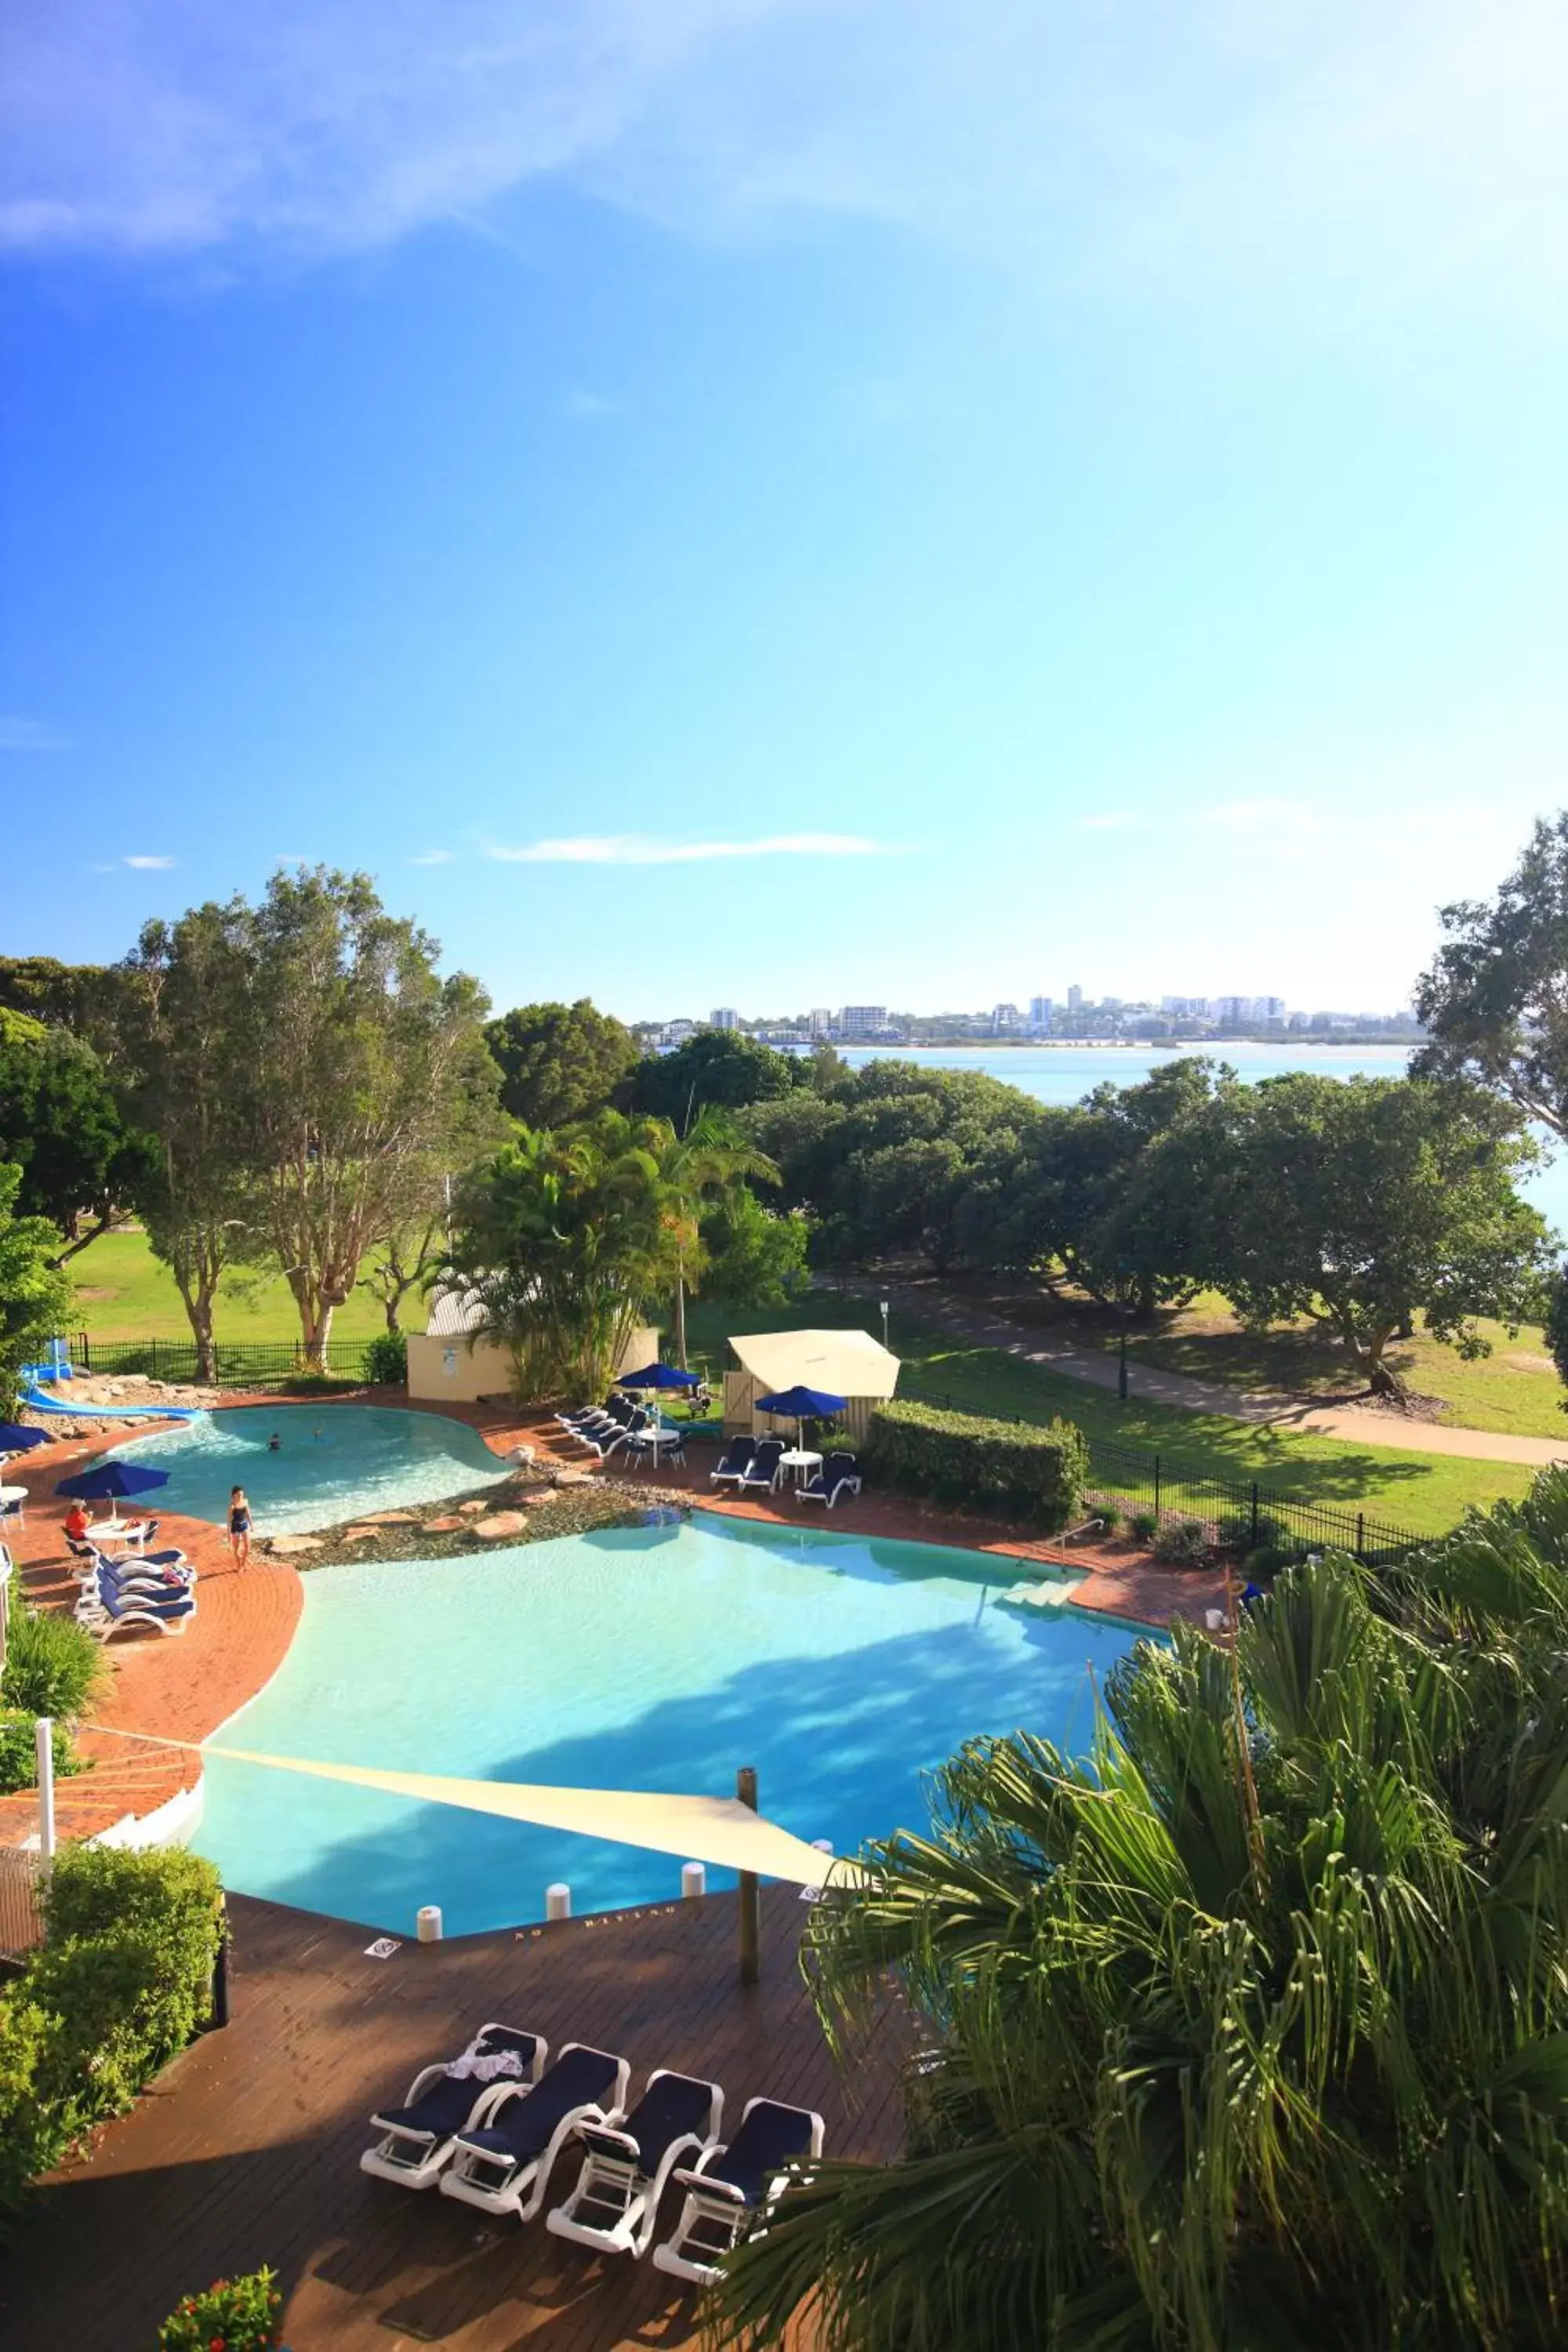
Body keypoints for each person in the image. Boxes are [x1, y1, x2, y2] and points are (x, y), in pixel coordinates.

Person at [228, 1484, 252, 1568]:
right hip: (235, 1527)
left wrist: (251, 1524)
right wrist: (229, 1535)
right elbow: (229, 1522)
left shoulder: (245, 1501)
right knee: (236, 1549)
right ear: (234, 1495)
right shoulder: (232, 1506)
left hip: (244, 1524)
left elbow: (248, 1513)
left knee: (248, 1548)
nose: (240, 1497)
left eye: (242, 1495)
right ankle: (239, 1565)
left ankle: (244, 1563)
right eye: (238, 1495)